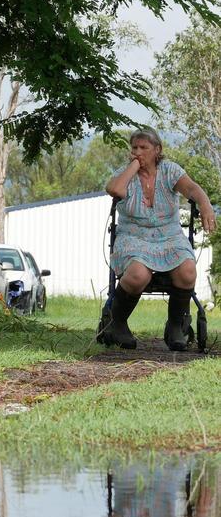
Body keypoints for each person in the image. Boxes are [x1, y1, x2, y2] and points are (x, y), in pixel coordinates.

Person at [103, 128, 216, 351]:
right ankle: (117, 323)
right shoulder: (124, 173)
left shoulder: (170, 171)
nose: (138, 152)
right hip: (133, 236)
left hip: (169, 235)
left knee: (187, 271)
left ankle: (175, 325)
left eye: (144, 148)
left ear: (157, 150)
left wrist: (205, 205)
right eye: (134, 147)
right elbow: (114, 189)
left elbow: (192, 188)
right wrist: (135, 166)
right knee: (137, 275)